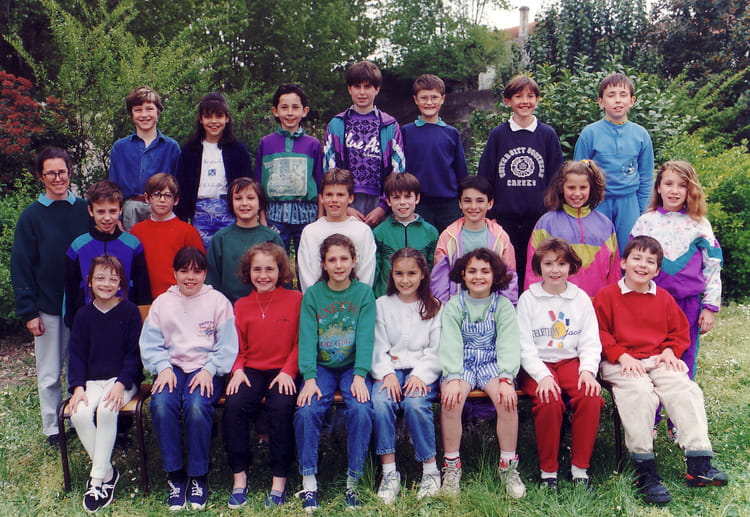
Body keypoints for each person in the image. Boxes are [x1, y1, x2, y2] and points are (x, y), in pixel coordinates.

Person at [594, 236, 728, 505]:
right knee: (640, 392)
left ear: (657, 270)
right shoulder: (606, 297)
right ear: (623, 262)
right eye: (636, 258)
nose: (642, 265)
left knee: (684, 388)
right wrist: (621, 355)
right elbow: (598, 333)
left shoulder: (663, 298)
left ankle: (699, 463)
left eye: (650, 261)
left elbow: (678, 332)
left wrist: (670, 351)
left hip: (657, 358)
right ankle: (644, 469)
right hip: (620, 361)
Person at [139, 246, 238, 511]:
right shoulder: (163, 303)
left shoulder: (218, 302)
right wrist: (162, 367)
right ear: (174, 273)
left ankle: (198, 475)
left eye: (196, 271)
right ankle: (175, 476)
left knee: (196, 406)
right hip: (171, 367)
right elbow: (150, 343)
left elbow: (227, 345)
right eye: (183, 271)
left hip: (205, 368)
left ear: (205, 273)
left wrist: (210, 369)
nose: (190, 277)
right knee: (161, 405)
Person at [630, 160, 722, 438]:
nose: (674, 190)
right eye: (668, 183)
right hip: (651, 304)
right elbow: (632, 264)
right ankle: (651, 418)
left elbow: (713, 267)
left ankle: (678, 422)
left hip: (688, 305)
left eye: (682, 185)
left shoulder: (700, 224)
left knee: (683, 359)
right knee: (651, 357)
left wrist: (710, 307)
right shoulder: (646, 221)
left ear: (690, 190)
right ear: (658, 187)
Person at [11, 146, 91, 445]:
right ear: (40, 176)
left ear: (70, 172)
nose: (58, 178)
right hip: (48, 305)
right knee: (49, 372)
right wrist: (29, 311)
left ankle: (79, 418)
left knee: (80, 367)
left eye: (62, 172)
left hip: (82, 305)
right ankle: (53, 428)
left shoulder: (84, 209)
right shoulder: (32, 216)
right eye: (51, 173)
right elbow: (21, 264)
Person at [294, 234, 376, 512]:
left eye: (344, 259)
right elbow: (307, 339)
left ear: (354, 261)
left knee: (362, 409)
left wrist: (360, 375)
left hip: (353, 366)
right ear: (323, 264)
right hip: (322, 367)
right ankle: (309, 482)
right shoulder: (313, 295)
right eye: (332, 260)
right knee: (307, 410)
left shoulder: (363, 293)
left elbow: (366, 337)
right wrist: (309, 378)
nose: (338, 265)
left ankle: (354, 481)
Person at [438, 248, 525, 499]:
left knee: (507, 401)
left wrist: (506, 377)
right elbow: (450, 342)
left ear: (495, 275)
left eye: (485, 271)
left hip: (491, 362)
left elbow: (508, 343)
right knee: (451, 401)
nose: (478, 276)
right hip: (462, 362)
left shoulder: (503, 306)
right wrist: (452, 377)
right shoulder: (455, 305)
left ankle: (508, 467)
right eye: (472, 271)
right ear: (462, 274)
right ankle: (452, 467)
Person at [517, 238, 603, 491]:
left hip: (569, 361)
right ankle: (549, 472)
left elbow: (590, 341)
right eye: (548, 264)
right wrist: (542, 376)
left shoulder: (580, 298)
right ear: (539, 266)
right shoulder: (529, 298)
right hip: (536, 364)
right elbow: (523, 345)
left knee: (590, 396)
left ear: (571, 266)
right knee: (549, 400)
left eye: (561, 264)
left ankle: (580, 470)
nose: (555, 270)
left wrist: (587, 371)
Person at [223, 242, 301, 509]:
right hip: (252, 369)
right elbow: (236, 346)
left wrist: (289, 371)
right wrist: (237, 370)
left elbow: (301, 341)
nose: (263, 275)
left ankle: (279, 480)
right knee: (234, 404)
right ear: (248, 271)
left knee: (280, 407)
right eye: (257, 269)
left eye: (270, 269)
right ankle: (239, 477)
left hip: (284, 370)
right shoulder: (241, 305)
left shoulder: (296, 299)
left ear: (281, 271)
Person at [67, 255, 143, 512]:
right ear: (89, 281)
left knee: (107, 410)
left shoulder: (129, 312)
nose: (106, 283)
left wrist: (121, 384)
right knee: (78, 413)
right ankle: (108, 472)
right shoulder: (83, 315)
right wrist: (78, 387)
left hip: (122, 381)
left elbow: (134, 355)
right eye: (100, 278)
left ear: (121, 282)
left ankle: (97, 480)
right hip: (91, 381)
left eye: (113, 279)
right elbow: (77, 355)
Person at [478, 74, 563, 289]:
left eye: (530, 96)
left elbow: (556, 177)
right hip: (504, 218)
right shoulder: (499, 135)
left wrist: (552, 210)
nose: (525, 101)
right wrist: (490, 212)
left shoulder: (547, 135)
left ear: (537, 100)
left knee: (536, 268)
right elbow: (485, 176)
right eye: (518, 96)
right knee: (505, 268)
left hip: (538, 218)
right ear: (508, 101)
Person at [371, 248, 442, 503]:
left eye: (411, 273)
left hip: (421, 371)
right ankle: (390, 472)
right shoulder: (382, 305)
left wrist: (420, 375)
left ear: (422, 274)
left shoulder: (434, 306)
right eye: (399, 273)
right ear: (391, 275)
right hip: (390, 371)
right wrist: (386, 374)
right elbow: (377, 346)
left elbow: (436, 350)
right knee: (381, 403)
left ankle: (430, 470)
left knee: (415, 404)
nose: (405, 280)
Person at [574, 73, 654, 254]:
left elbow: (646, 176)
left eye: (623, 95)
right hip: (598, 202)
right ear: (601, 102)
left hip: (629, 203)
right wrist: (583, 207)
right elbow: (577, 175)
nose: (617, 100)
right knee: (598, 252)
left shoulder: (641, 135)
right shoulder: (589, 134)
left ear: (632, 100)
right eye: (611, 95)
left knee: (629, 251)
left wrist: (642, 210)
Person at [323, 61, 405, 227]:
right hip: (345, 200)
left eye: (367, 87)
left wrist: (383, 206)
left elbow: (399, 168)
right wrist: (344, 205)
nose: (362, 92)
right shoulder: (337, 124)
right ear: (349, 89)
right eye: (357, 86)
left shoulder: (389, 125)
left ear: (377, 89)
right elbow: (328, 168)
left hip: (380, 201)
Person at [525, 160, 619, 297]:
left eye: (583, 187)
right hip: (555, 303)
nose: (577, 193)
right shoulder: (546, 223)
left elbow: (614, 271)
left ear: (591, 188)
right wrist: (534, 298)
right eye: (571, 187)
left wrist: (612, 301)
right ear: (561, 188)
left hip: (596, 303)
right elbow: (533, 269)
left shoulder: (605, 225)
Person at [64, 180, 151, 329]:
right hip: (88, 323)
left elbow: (142, 288)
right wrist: (72, 322)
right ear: (90, 211)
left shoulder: (133, 245)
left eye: (112, 211)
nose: (107, 218)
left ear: (120, 210)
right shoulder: (78, 246)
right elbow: (70, 288)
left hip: (125, 322)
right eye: (100, 211)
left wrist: (142, 319)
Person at [175, 92, 252, 248]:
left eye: (219, 116)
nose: (214, 121)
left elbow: (247, 185)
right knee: (201, 256)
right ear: (200, 119)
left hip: (229, 212)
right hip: (199, 213)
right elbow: (181, 185)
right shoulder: (190, 150)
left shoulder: (237, 150)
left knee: (229, 254)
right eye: (208, 116)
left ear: (227, 118)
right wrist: (181, 216)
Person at [255, 83, 324, 253]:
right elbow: (258, 184)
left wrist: (320, 218)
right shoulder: (266, 143)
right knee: (276, 258)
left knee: (309, 260)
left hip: (306, 213)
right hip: (275, 214)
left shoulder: (313, 144)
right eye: (284, 107)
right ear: (275, 111)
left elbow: (320, 184)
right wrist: (262, 217)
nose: (290, 113)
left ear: (304, 111)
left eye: (295, 107)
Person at [431, 175, 517, 304]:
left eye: (480, 201)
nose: (473, 206)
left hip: (492, 307)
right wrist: (443, 308)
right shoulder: (448, 236)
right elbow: (440, 279)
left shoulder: (500, 237)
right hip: (457, 307)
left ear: (490, 203)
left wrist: (506, 308)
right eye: (467, 201)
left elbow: (509, 276)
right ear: (460, 203)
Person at [400, 74, 468, 233]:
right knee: (421, 243)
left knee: (450, 242)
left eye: (434, 97)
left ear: (442, 99)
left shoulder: (451, 133)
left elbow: (461, 170)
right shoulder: (406, 132)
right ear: (416, 100)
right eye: (424, 98)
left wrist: (464, 197)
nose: (429, 102)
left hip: (449, 203)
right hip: (418, 202)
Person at [109, 86, 180, 230]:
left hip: (161, 209)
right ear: (131, 114)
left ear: (158, 112)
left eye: (149, 109)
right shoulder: (119, 148)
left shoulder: (171, 147)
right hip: (130, 210)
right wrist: (116, 217)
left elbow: (178, 186)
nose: (144, 114)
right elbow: (113, 187)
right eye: (138, 110)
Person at [297, 167, 376, 292]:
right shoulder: (310, 232)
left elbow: (366, 274)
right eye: (329, 194)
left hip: (354, 300)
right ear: (321, 198)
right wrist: (316, 299)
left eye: (340, 195)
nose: (334, 200)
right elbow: (307, 275)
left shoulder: (362, 231)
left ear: (350, 198)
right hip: (319, 301)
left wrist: (357, 299)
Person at [206, 177, 283, 304]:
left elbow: (284, 281)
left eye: (250, 198)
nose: (244, 203)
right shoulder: (220, 239)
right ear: (231, 203)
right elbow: (212, 281)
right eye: (238, 198)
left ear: (260, 203)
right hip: (229, 308)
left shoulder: (272, 238)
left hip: (266, 307)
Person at [131, 173, 205, 299]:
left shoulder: (188, 231)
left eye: (168, 195)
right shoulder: (137, 231)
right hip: (146, 299)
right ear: (147, 198)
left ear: (176, 200)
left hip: (180, 298)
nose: (162, 200)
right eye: (157, 194)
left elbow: (200, 269)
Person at [372, 172, 438, 297]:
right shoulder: (379, 232)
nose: (402, 202)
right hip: (387, 298)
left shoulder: (430, 232)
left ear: (417, 198)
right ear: (388, 201)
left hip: (420, 298)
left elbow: (433, 269)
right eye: (396, 197)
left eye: (407, 197)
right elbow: (376, 270)